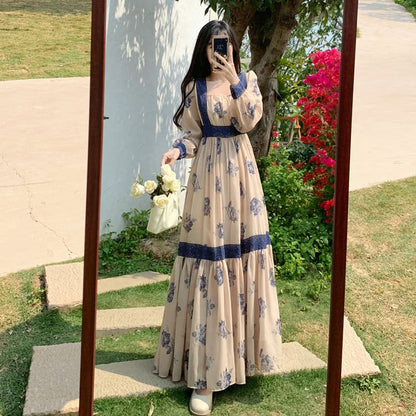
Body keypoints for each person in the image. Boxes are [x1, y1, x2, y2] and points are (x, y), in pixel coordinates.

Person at [153, 20, 282, 415]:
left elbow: (249, 121)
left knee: (241, 257)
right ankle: (205, 377)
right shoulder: (194, 88)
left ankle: (244, 359)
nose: (217, 51)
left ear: (232, 47)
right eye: (211, 45)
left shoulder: (247, 80)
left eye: (223, 44)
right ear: (203, 48)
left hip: (242, 181)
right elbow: (194, 135)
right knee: (209, 260)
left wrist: (235, 82)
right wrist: (178, 150)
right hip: (208, 183)